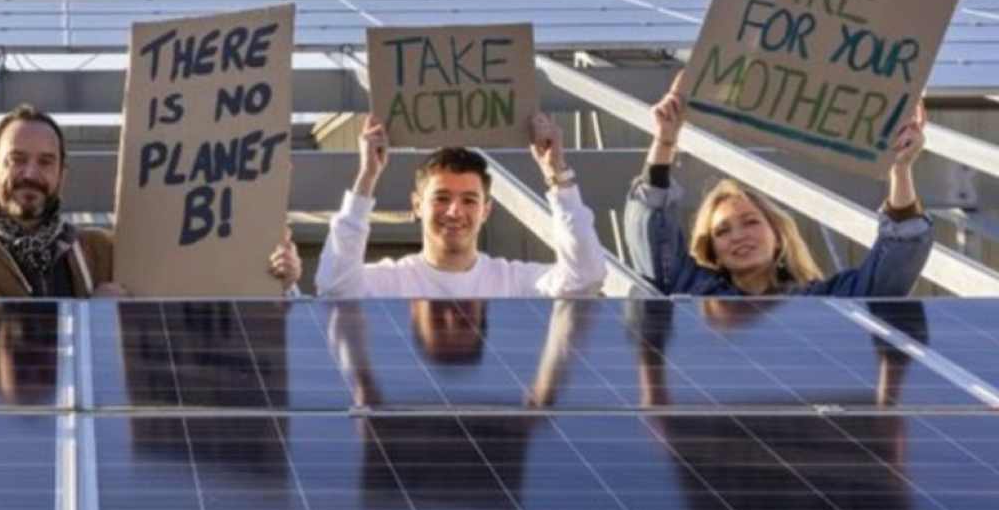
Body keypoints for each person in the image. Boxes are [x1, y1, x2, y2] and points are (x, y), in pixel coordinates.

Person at [0, 104, 301, 298]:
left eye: (45, 162)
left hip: (91, 432)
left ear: (61, 174)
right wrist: (91, 321)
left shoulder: (100, 251)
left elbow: (188, 285)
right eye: (17, 160)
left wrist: (270, 272)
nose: (30, 174)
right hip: (0, 430)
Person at [624, 76, 932, 296]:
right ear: (712, 251)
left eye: (750, 222)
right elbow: (652, 231)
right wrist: (665, 139)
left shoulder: (826, 306)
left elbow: (893, 266)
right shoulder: (690, 291)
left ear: (779, 236)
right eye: (722, 231)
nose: (738, 236)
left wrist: (900, 168)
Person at [314, 113, 606, 298]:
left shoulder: (512, 282)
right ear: (417, 205)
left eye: (469, 200)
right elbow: (333, 286)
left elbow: (586, 278)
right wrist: (367, 176)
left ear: (486, 210)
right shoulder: (391, 281)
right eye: (441, 198)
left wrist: (557, 174)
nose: (454, 211)